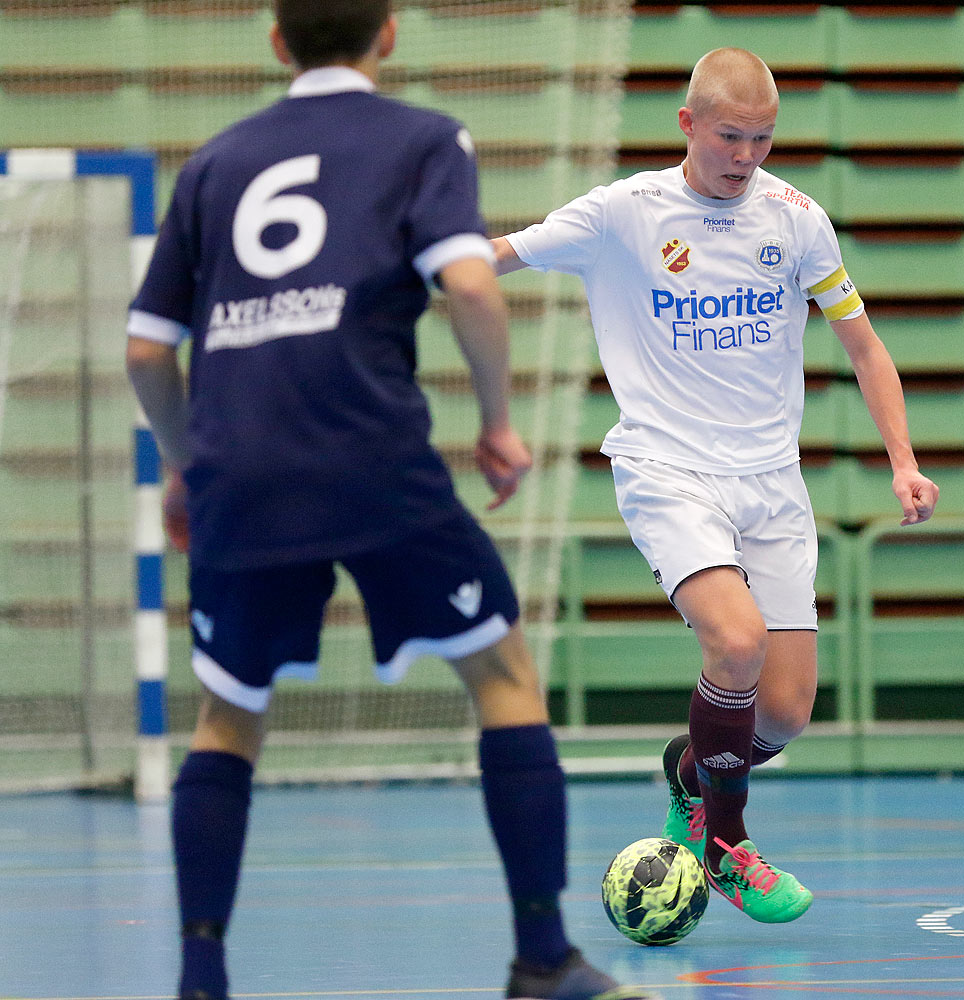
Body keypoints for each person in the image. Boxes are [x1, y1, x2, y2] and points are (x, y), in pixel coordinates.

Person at [123, 3, 654, 999]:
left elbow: (148, 348)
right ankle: (542, 955)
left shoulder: (212, 164)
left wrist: (188, 466)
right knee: (501, 672)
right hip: (371, 455)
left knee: (229, 713)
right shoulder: (421, 139)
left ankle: (201, 978)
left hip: (242, 468)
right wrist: (498, 424)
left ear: (279, 42)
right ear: (390, 35)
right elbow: (472, 286)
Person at [492, 47, 939, 924]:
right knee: (734, 645)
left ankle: (693, 776)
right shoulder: (623, 213)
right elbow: (499, 254)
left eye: (764, 138)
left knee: (785, 713)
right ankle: (728, 842)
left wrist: (903, 458)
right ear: (688, 124)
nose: (747, 155)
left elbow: (864, 345)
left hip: (772, 482)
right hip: (668, 472)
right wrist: (408, 266)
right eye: (731, 136)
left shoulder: (798, 219)